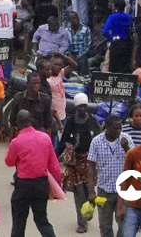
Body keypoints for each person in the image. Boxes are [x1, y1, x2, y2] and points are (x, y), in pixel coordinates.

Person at [5, 110, 61, 237]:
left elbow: (9, 162)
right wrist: (58, 184)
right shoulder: (45, 138)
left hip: (23, 185)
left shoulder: (17, 142)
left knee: (19, 222)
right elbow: (54, 165)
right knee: (42, 220)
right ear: (31, 121)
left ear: (18, 124)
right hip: (41, 184)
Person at [59, 93, 99, 234]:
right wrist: (54, 157)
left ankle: (88, 211)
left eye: (84, 106)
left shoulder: (93, 121)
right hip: (75, 163)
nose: (82, 109)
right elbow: (63, 140)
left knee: (89, 192)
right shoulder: (71, 122)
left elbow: (99, 141)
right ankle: (82, 223)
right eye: (80, 107)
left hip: (90, 164)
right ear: (76, 108)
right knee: (79, 194)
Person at [87, 114, 133, 237]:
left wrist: (126, 148)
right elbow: (91, 168)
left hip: (123, 191)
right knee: (105, 226)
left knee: (124, 225)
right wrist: (91, 191)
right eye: (115, 128)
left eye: (120, 128)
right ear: (106, 127)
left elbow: (135, 161)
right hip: (104, 190)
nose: (118, 131)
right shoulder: (96, 141)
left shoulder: (126, 138)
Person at [6, 72, 54, 138]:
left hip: (38, 136)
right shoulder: (18, 98)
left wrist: (47, 141)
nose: (37, 86)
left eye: (38, 83)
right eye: (34, 84)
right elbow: (12, 122)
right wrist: (12, 141)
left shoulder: (45, 100)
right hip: (22, 136)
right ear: (27, 84)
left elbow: (48, 124)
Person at [103, 0, 134, 73]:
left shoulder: (112, 17)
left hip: (116, 45)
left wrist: (112, 38)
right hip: (127, 45)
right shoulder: (129, 17)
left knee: (114, 68)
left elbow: (105, 31)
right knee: (124, 68)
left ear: (116, 6)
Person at [67, 10, 93, 75]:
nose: (76, 20)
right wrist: (69, 54)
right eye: (73, 18)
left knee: (82, 61)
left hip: (82, 53)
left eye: (76, 17)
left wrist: (78, 55)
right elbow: (65, 45)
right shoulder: (66, 31)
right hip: (71, 53)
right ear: (69, 21)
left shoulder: (85, 29)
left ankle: (84, 77)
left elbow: (87, 46)